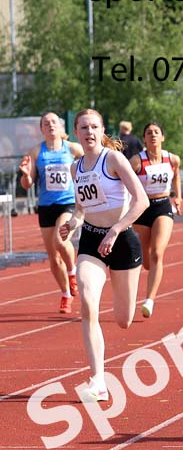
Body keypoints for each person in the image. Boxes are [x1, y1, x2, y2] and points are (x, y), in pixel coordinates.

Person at [59, 109, 149, 402]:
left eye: (94, 126)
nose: (89, 132)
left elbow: (142, 200)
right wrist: (72, 223)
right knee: (87, 301)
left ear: (101, 130)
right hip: (92, 242)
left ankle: (123, 294)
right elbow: (81, 209)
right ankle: (98, 379)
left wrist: (116, 229)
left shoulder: (113, 159)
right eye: (83, 127)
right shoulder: (75, 168)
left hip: (122, 241)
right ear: (76, 132)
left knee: (124, 320)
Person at [18, 112, 84, 313]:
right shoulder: (37, 151)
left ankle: (72, 272)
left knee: (60, 239)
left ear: (61, 127)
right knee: (53, 258)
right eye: (46, 123)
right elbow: (27, 184)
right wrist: (26, 175)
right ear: (41, 129)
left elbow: (91, 165)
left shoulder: (73, 149)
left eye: (54, 122)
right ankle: (65, 294)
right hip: (46, 206)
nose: (50, 125)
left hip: (68, 203)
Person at [129, 122, 182, 319]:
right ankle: (152, 270)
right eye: (149, 133)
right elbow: (123, 179)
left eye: (156, 132)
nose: (153, 135)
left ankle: (149, 300)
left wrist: (177, 196)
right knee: (147, 260)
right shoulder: (136, 161)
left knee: (158, 254)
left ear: (162, 137)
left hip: (162, 207)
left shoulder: (172, 159)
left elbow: (176, 175)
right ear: (144, 138)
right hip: (143, 210)